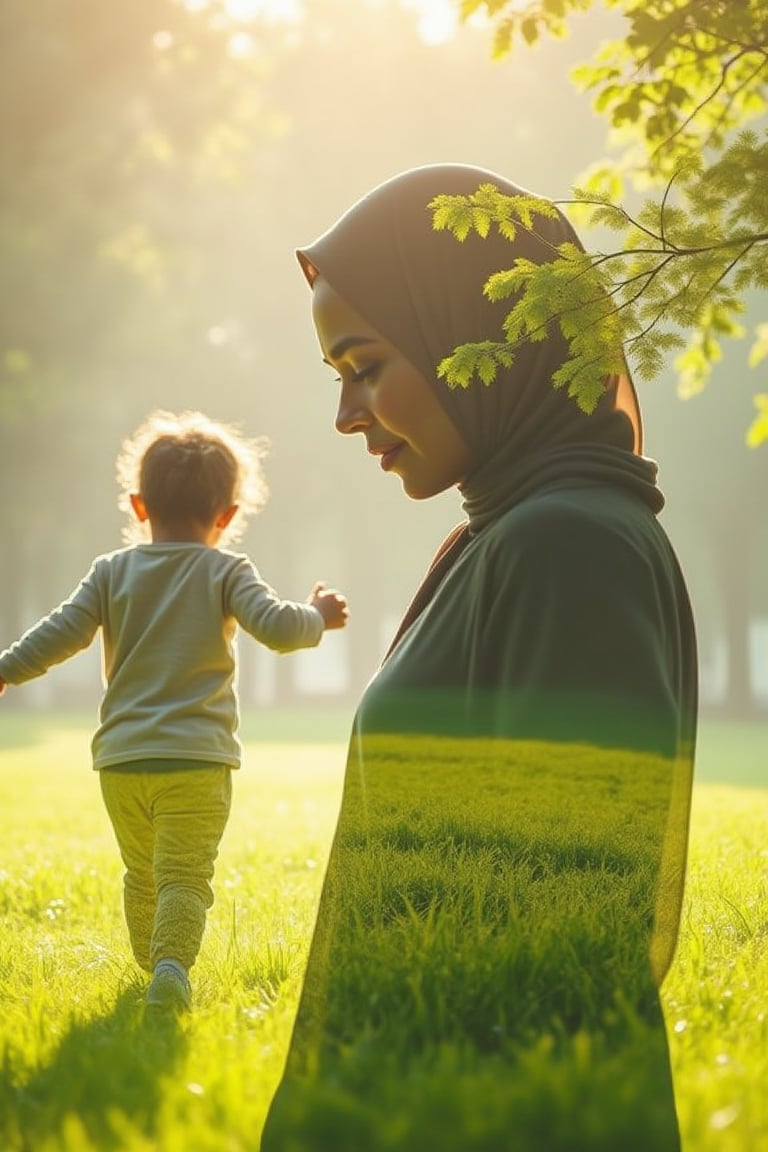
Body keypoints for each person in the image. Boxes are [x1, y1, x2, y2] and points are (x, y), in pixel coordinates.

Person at [261, 165, 697, 1151]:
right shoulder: (502, 539)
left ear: (479, 342)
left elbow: (562, 957)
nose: (347, 415)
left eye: (366, 365)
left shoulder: (567, 548)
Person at [0, 409, 348, 1014]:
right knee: (185, 877)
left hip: (122, 761)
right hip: (196, 760)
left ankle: (153, 967)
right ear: (228, 515)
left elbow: (60, 634)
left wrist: (5, 670)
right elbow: (277, 628)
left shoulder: (110, 572)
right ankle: (169, 968)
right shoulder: (225, 570)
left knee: (143, 874)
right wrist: (317, 614)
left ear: (139, 506)